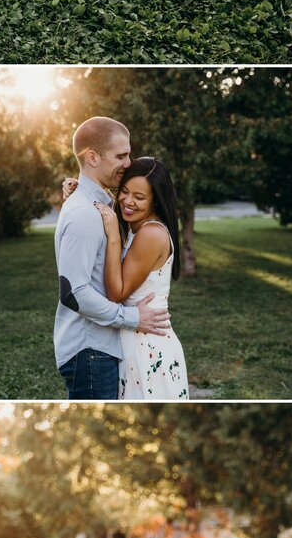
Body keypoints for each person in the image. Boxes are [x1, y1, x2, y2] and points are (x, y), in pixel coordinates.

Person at [53, 116, 171, 400]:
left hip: (100, 349)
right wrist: (132, 317)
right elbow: (74, 293)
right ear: (92, 157)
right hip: (91, 351)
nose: (129, 162)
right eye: (121, 155)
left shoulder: (100, 204)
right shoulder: (85, 213)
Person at [99, 157, 190, 402]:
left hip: (148, 347)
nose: (128, 201)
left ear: (156, 200)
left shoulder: (150, 234)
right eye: (125, 192)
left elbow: (116, 293)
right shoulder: (138, 227)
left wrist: (113, 238)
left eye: (139, 197)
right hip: (135, 336)